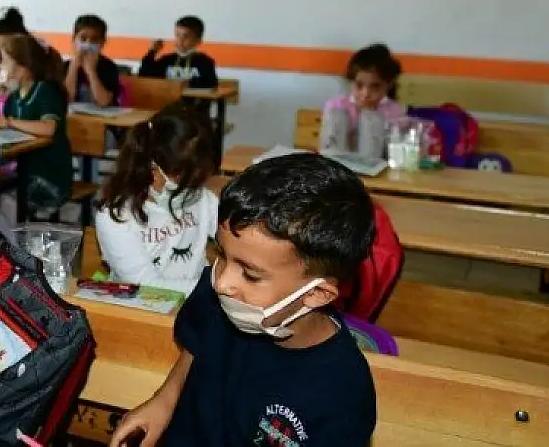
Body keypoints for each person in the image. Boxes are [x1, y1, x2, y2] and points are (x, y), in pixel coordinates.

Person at [108, 153, 378, 447]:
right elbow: (196, 345)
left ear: (316, 293)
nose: (223, 282)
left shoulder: (343, 390)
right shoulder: (219, 295)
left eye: (250, 274)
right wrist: (165, 400)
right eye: (222, 255)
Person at [94, 104, 217, 294]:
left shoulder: (199, 197)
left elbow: (234, 234)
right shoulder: (116, 217)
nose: (192, 188)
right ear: (154, 168)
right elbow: (144, 285)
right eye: (184, 180)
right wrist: (215, 289)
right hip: (144, 310)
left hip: (196, 304)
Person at [0, 33, 73, 236]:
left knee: (4, 200)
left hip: (49, 178)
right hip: (24, 174)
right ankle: (15, 244)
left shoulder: (45, 91)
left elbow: (49, 128)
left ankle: (19, 250)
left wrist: (9, 122)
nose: (1, 66)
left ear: (23, 67)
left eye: (6, 60)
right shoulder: (14, 97)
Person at [321, 43, 405, 155]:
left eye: (375, 86)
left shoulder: (394, 111)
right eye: (359, 85)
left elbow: (394, 151)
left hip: (376, 167)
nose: (365, 94)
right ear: (351, 82)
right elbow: (328, 142)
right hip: (339, 166)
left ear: (389, 85)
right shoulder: (336, 106)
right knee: (338, 116)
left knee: (373, 121)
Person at [138, 16, 218, 89]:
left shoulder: (204, 61)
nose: (180, 40)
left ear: (198, 41)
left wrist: (186, 84)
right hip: (169, 101)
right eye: (177, 35)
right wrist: (152, 51)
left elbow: (210, 83)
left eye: (186, 36)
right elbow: (144, 74)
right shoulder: (167, 60)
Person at [65, 14, 121, 107]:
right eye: (83, 38)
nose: (88, 43)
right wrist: (73, 68)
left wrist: (91, 71)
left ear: (102, 42)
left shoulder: (109, 67)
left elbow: (104, 102)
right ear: (74, 39)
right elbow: (66, 98)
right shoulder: (65, 66)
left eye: (94, 39)